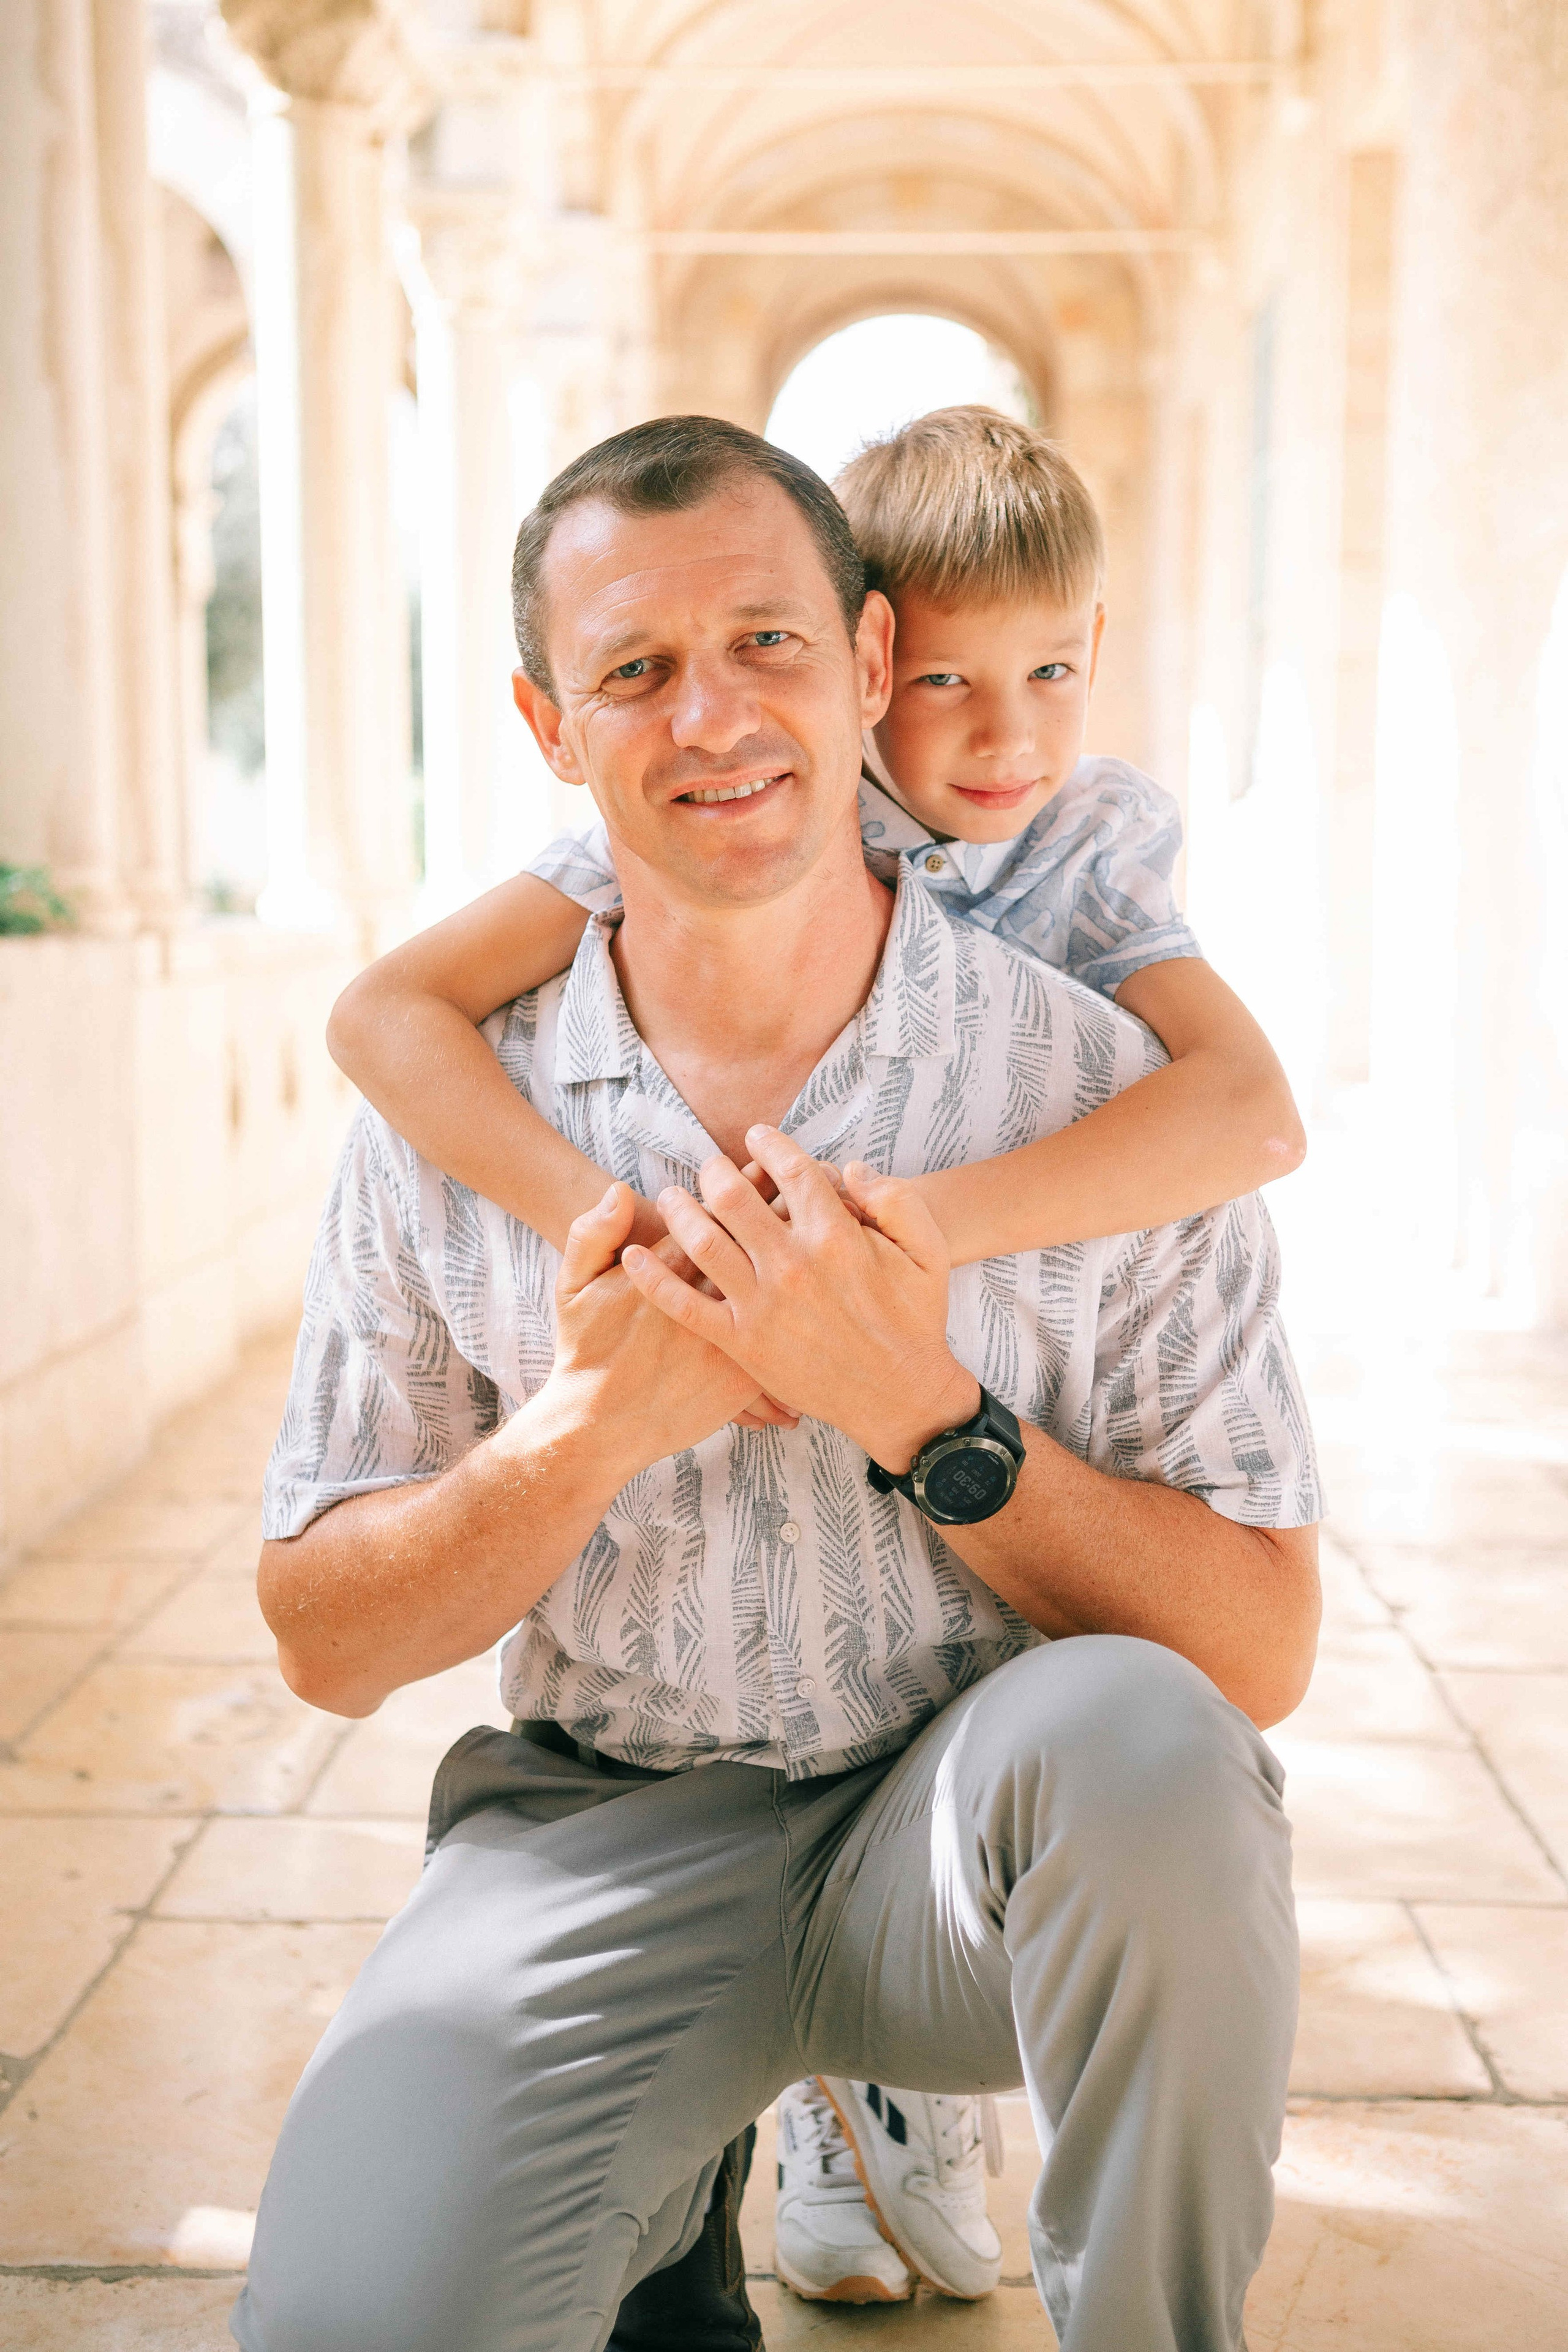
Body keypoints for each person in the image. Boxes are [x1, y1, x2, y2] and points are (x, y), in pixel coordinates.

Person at [233, 414, 1321, 2352]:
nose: (712, 716)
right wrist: (591, 1428)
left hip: (969, 1841)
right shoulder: (450, 1116)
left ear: (867, 664)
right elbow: (321, 1639)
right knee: (353, 2324)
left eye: (768, 644)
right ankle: (663, 2181)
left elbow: (1257, 1655)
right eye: (634, 670)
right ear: (549, 726)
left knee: (1155, 1755)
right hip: (603, 1828)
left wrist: (936, 1419)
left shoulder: (1106, 1109)